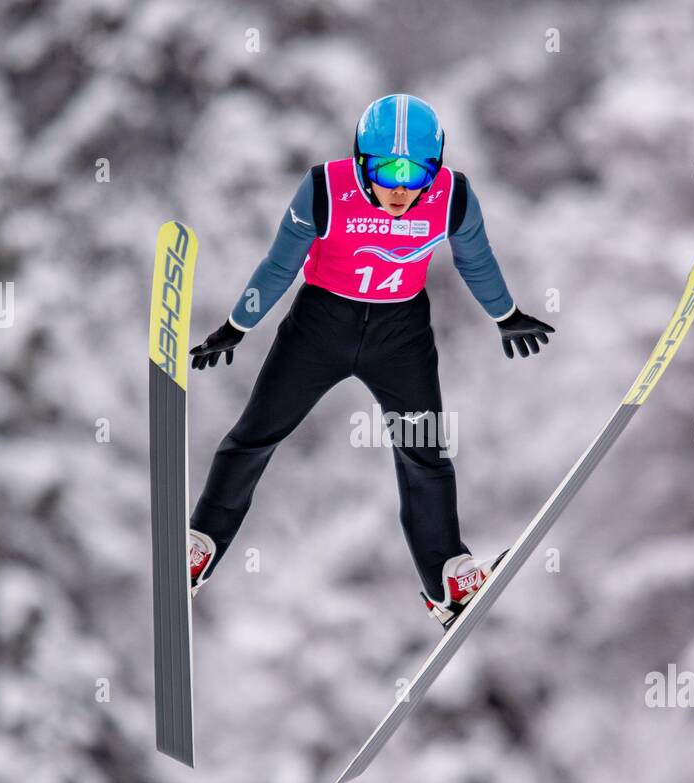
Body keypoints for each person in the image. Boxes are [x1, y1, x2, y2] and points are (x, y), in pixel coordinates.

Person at [186, 93, 554, 628]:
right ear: (362, 161)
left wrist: (506, 313)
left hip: (400, 335)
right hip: (319, 327)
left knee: (424, 452)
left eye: (419, 172)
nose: (403, 187)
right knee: (256, 434)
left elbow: (476, 259)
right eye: (388, 170)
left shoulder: (451, 197)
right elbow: (279, 266)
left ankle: (448, 580)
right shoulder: (324, 190)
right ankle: (200, 546)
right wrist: (237, 326)